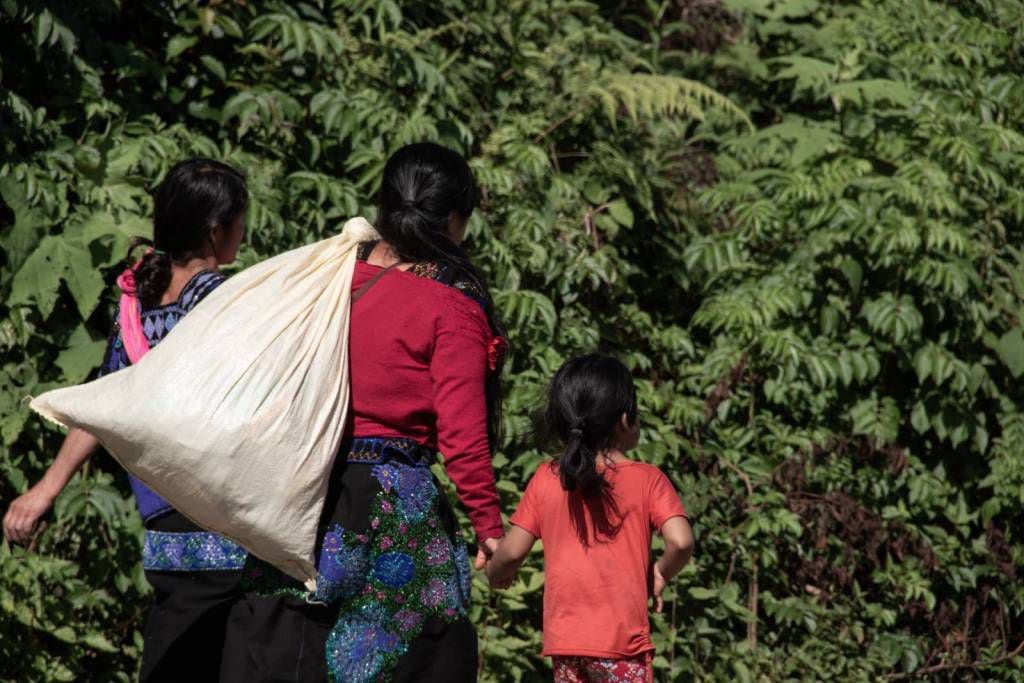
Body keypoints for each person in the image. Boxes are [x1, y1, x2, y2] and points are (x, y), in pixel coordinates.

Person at [222, 142, 507, 682]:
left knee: (288, 645)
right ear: (452, 218)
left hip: (298, 490)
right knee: (416, 652)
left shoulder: (328, 276)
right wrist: (489, 528)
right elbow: (462, 436)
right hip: (390, 503)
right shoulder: (452, 302)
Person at [3, 158, 250, 682]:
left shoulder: (136, 303)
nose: (244, 232)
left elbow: (104, 405)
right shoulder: (225, 300)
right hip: (229, 523)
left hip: (164, 524)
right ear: (216, 229)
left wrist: (45, 489)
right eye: (240, 220)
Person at [486, 354, 694, 683]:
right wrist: (660, 572)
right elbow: (681, 541)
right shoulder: (648, 479)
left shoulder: (546, 478)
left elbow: (511, 552)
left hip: (566, 644)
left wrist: (495, 572)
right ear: (626, 419)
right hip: (622, 646)